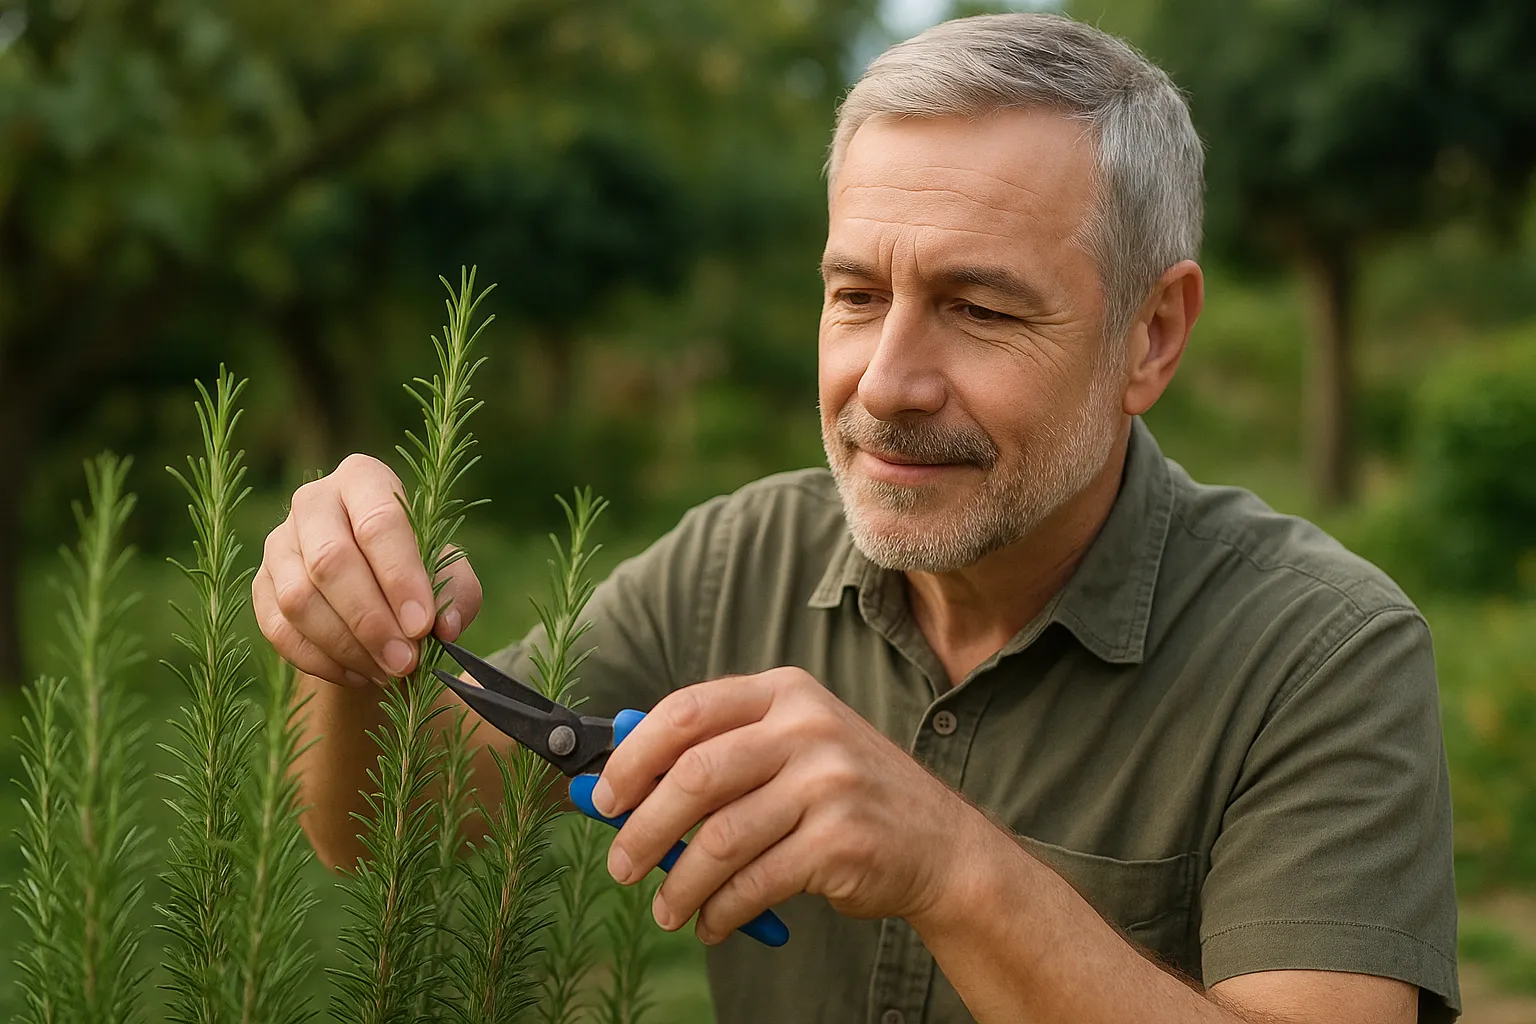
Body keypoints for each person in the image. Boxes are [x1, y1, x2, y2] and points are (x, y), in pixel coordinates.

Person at [255, 13, 1459, 1024]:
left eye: (979, 308)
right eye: (858, 294)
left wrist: (951, 867)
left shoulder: (1323, 653)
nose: (886, 384)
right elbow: (387, 825)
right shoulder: (734, 563)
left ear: (1150, 335)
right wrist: (348, 650)